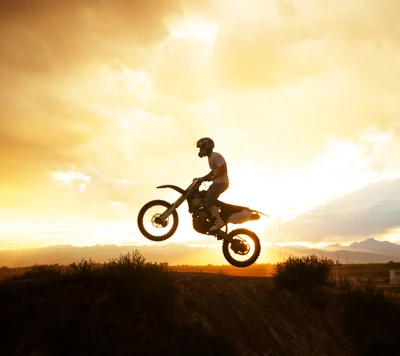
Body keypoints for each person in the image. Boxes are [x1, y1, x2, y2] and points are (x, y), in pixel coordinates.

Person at [196, 137, 229, 232]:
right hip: (217, 183)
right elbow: (214, 171)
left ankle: (219, 221)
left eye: (201, 148)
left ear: (207, 147)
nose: (200, 150)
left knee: (207, 200)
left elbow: (223, 169)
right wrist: (203, 178)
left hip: (221, 183)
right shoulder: (210, 158)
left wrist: (211, 178)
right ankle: (212, 218)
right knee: (204, 197)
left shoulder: (215, 156)